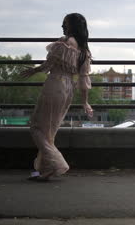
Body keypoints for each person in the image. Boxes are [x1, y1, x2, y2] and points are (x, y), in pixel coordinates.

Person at [21, 13, 93, 181]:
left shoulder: (64, 42)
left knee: (37, 127)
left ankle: (57, 164)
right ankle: (44, 171)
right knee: (49, 131)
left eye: (65, 23)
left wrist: (34, 70)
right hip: (68, 89)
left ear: (72, 26)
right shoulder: (84, 50)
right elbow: (84, 79)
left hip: (55, 84)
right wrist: (85, 102)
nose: (62, 26)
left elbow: (49, 64)